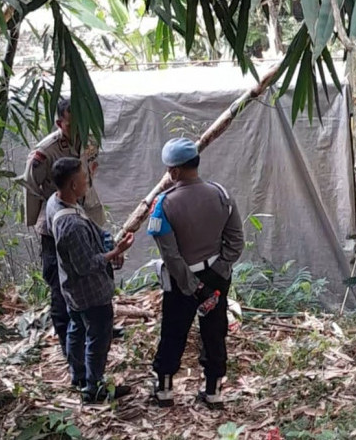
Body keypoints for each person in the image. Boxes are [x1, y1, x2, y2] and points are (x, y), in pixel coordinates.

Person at [148, 138, 244, 409]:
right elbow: (236, 242)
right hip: (216, 278)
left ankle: (164, 390)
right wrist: (216, 275)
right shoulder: (221, 195)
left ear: (175, 172)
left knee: (173, 332)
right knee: (215, 332)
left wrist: (191, 285)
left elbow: (171, 254)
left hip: (181, 283)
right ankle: (213, 391)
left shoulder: (164, 205)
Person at [19, 99, 105, 355]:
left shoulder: (89, 142)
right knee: (60, 283)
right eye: (72, 123)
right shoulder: (46, 151)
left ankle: (88, 333)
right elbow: (31, 186)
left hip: (85, 215)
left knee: (89, 276)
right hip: (56, 223)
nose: (79, 127)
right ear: (60, 123)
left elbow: (91, 173)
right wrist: (40, 217)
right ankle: (68, 345)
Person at [46, 158, 135, 403]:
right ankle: (93, 387)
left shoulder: (55, 202)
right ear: (73, 185)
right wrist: (115, 252)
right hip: (90, 293)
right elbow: (86, 265)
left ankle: (78, 375)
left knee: (77, 328)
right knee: (98, 336)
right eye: (84, 177)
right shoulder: (71, 225)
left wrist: (106, 243)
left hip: (71, 289)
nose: (88, 181)